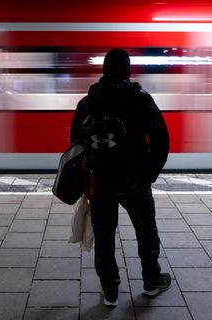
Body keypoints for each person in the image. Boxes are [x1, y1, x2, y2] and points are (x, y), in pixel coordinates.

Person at [70, 48, 170, 307]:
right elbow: (161, 137)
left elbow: (75, 143)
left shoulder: (88, 102)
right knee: (146, 229)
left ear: (103, 70)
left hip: (100, 182)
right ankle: (151, 280)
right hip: (135, 180)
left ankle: (110, 291)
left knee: (104, 236)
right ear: (128, 70)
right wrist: (150, 173)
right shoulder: (140, 98)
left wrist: (88, 174)